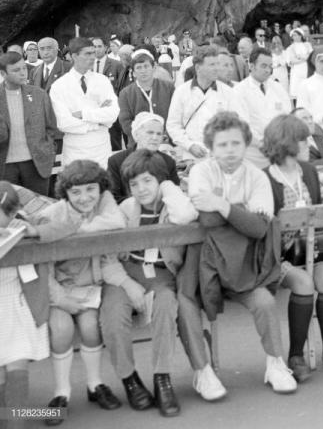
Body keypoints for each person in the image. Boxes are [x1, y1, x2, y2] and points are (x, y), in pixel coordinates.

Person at [186, 112, 292, 395]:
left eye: (236, 143)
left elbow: (258, 228)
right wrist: (240, 212)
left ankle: (276, 364)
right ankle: (203, 372)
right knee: (185, 303)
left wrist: (221, 204)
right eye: (222, 145)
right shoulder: (201, 172)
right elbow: (206, 220)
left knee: (265, 302)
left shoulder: (257, 176)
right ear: (211, 147)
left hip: (246, 265)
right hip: (206, 264)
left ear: (246, 144)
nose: (230, 150)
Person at [26, 161, 125, 425]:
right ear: (65, 193)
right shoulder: (52, 215)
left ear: (101, 189)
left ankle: (95, 384)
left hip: (90, 286)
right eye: (76, 192)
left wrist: (72, 229)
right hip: (57, 290)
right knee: (61, 329)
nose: (84, 197)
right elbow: (43, 268)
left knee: (92, 327)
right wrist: (61, 299)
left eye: (91, 189)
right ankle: (62, 392)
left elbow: (118, 222)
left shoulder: (103, 206)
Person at [100, 149, 198, 417]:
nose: (141, 189)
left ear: (160, 181)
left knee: (166, 305)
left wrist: (167, 187)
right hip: (126, 273)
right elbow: (108, 256)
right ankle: (129, 379)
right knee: (112, 315)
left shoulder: (173, 205)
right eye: (134, 184)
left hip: (161, 273)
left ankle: (162, 377)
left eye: (147, 181)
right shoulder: (125, 209)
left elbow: (186, 216)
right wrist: (126, 284)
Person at [261, 114, 323, 380]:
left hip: (313, 249)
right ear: (287, 142)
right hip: (280, 256)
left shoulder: (310, 172)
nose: (308, 144)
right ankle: (295, 355)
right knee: (303, 282)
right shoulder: (266, 178)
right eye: (303, 139)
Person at [0, 182, 50, 429]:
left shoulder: (22, 225)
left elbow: (58, 219)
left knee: (16, 361)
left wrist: (33, 229)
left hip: (16, 302)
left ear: (11, 214)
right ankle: (8, 415)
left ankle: (16, 422)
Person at [165, 45, 246, 163]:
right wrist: (189, 145)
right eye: (212, 65)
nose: (217, 68)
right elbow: (173, 125)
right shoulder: (181, 92)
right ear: (198, 68)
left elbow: (240, 122)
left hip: (222, 157)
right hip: (191, 157)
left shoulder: (228, 93)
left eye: (217, 64)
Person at [49, 38, 119, 168]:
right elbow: (63, 123)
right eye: (87, 53)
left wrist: (83, 114)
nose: (93, 57)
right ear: (74, 56)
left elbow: (113, 114)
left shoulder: (102, 81)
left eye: (93, 53)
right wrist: (99, 120)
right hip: (75, 152)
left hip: (101, 151)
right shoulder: (59, 86)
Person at [0, 53, 58, 195]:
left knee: (39, 206)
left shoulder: (39, 95)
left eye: (24, 68)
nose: (22, 73)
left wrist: (47, 150)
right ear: (3, 74)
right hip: (5, 167)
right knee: (10, 207)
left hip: (36, 164)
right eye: (16, 70)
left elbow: (51, 127)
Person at [233, 47, 293, 168]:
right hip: (254, 151)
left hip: (280, 148)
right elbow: (242, 124)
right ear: (251, 66)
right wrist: (262, 143)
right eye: (263, 66)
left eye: (270, 66)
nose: (268, 70)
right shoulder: (239, 91)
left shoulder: (277, 87)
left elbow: (288, 116)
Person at [106, 113, 180, 202]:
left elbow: (175, 195)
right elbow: (112, 197)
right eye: (150, 132)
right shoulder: (116, 161)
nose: (155, 138)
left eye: (159, 134)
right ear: (136, 134)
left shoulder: (168, 162)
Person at [117, 50, 175, 146]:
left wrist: (163, 135)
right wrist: (145, 137)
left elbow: (175, 116)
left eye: (146, 66)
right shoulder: (125, 93)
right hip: (138, 145)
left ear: (154, 68)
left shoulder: (168, 88)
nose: (143, 71)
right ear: (133, 72)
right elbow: (125, 122)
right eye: (138, 67)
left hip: (166, 142)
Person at [285, 29, 313, 101]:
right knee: (297, 91)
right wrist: (304, 58)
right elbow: (292, 61)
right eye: (293, 35)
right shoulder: (290, 48)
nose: (295, 37)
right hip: (296, 71)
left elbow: (310, 56)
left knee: (307, 91)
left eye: (296, 35)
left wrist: (300, 57)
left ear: (301, 36)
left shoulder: (307, 45)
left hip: (307, 69)